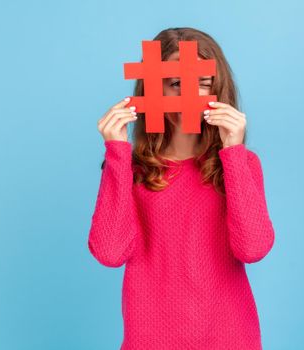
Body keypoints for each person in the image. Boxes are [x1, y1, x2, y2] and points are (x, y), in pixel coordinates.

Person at [88, 27, 275, 350]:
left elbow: (253, 249)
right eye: (176, 83)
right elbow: (109, 252)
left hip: (229, 339)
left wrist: (233, 152)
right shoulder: (132, 169)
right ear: (152, 89)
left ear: (219, 89)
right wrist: (117, 153)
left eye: (203, 83)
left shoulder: (241, 164)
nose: (192, 94)